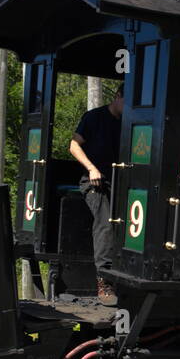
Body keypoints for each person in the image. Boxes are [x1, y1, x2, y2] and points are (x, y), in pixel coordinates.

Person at [69, 84, 123, 304]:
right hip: (94, 182)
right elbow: (73, 146)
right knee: (105, 222)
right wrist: (92, 169)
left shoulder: (130, 124)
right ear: (118, 97)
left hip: (121, 183)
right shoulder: (93, 117)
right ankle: (104, 282)